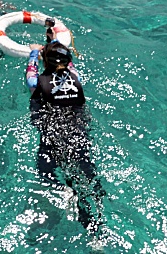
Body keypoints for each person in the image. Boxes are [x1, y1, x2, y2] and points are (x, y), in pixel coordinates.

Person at [26, 37, 105, 234]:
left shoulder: (38, 83)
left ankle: (65, 192)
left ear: (45, 61)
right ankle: (98, 222)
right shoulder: (75, 76)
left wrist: (34, 52)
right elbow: (66, 61)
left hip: (54, 135)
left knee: (46, 173)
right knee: (87, 172)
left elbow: (30, 73)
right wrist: (54, 41)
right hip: (78, 133)